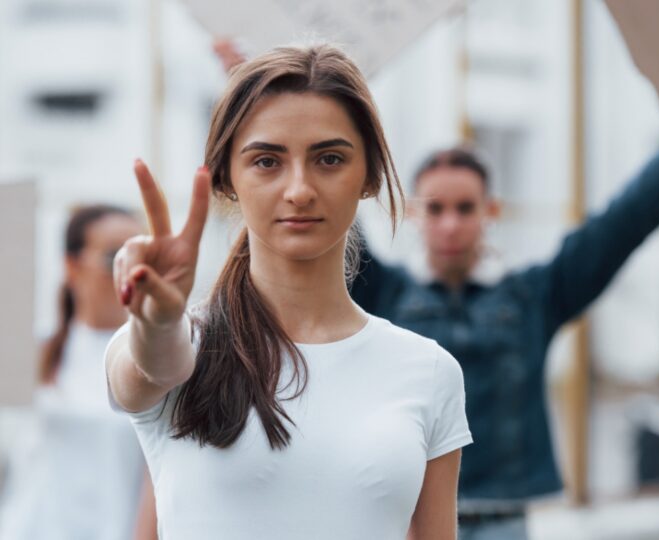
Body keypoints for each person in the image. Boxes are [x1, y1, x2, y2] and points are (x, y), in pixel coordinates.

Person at [105, 44, 472, 540]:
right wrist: (157, 321)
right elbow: (155, 366)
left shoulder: (428, 371)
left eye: (329, 158)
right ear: (227, 179)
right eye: (266, 161)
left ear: (369, 176)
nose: (299, 189)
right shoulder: (180, 341)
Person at [350, 140, 659, 539]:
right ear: (412, 213)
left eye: (465, 208)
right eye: (436, 209)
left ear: (490, 211)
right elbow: (335, 213)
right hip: (410, 519)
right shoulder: (384, 296)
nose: (450, 224)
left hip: (502, 519)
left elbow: (620, 226)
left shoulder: (531, 298)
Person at [0, 205, 149, 540]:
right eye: (116, 257)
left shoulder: (159, 363)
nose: (132, 272)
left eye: (144, 258)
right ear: (72, 266)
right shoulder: (39, 351)